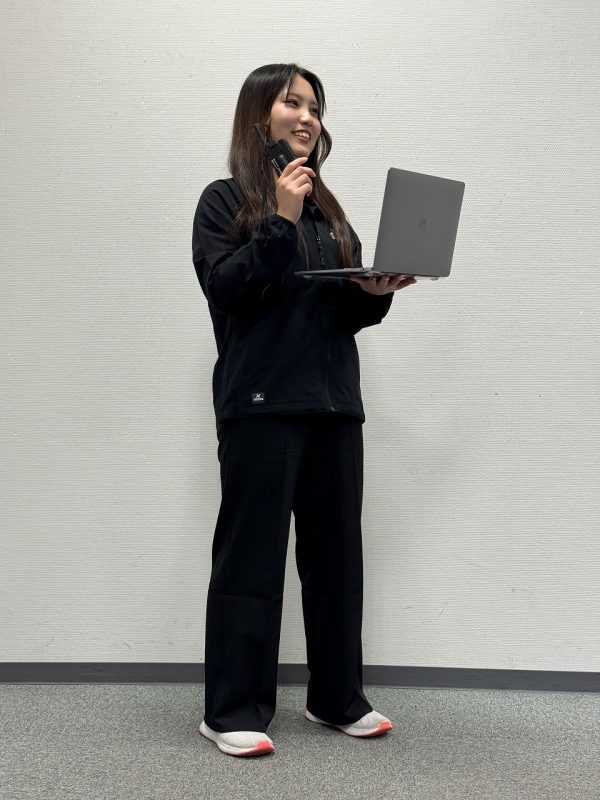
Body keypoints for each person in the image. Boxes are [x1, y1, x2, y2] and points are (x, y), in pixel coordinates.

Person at [192, 63, 416, 758]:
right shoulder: (224, 201)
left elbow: (337, 314)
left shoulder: (328, 210)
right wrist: (279, 221)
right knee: (251, 562)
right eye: (293, 102)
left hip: (334, 405)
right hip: (261, 406)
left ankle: (336, 698)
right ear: (259, 115)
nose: (308, 117)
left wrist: (373, 292)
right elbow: (228, 291)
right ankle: (231, 710)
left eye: (315, 106)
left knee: (336, 562)